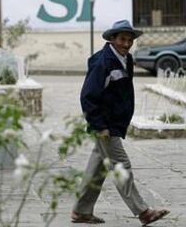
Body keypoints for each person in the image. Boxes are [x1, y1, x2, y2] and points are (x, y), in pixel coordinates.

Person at [72, 20, 170, 225]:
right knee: (121, 165)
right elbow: (88, 97)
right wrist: (100, 126)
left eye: (130, 40)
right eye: (122, 39)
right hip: (105, 125)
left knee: (98, 167)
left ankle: (81, 211)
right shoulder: (103, 62)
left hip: (114, 123)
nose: (126, 44)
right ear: (112, 39)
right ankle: (143, 211)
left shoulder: (125, 59)